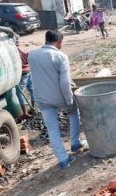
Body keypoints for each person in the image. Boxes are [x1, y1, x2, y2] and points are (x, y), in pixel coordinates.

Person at [28, 30, 86, 169]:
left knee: (52, 129)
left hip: (41, 97)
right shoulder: (60, 56)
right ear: (59, 41)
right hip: (59, 96)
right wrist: (69, 100)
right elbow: (65, 82)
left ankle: (63, 160)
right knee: (73, 113)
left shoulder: (32, 55)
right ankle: (75, 143)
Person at [15, 39, 34, 118]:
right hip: (29, 70)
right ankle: (33, 109)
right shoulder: (25, 50)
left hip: (23, 73)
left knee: (19, 92)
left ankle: (25, 113)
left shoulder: (14, 53)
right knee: (32, 89)